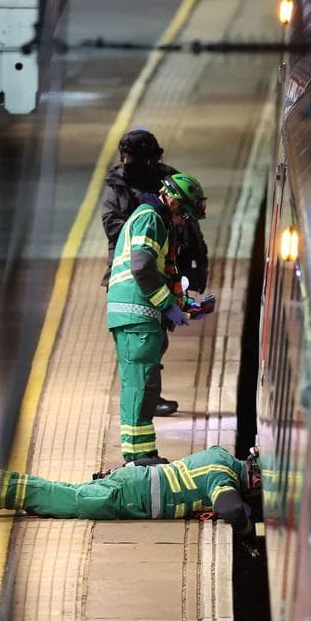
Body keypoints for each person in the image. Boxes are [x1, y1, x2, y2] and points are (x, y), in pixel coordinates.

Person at [105, 172, 216, 464]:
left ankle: (141, 453)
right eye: (185, 216)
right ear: (175, 202)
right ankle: (137, 457)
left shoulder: (156, 220)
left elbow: (159, 273)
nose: (185, 222)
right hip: (135, 315)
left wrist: (188, 305)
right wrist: (168, 305)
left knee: (145, 385)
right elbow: (141, 268)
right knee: (140, 386)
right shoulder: (151, 219)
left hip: (137, 316)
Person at [98, 129, 210, 417]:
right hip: (136, 281)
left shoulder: (169, 184)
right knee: (148, 344)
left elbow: (189, 232)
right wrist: (148, 225)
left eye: (131, 157)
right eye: (124, 157)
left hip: (161, 269)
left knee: (156, 339)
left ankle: (148, 399)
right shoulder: (139, 205)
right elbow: (117, 231)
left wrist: (187, 297)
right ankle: (148, 397)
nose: (126, 162)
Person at [0, 446, 260, 537]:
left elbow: (163, 461)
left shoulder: (220, 455)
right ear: (256, 479)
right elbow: (230, 508)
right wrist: (247, 527)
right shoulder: (223, 476)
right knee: (69, 501)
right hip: (131, 497)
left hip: (133, 478)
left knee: (66, 491)